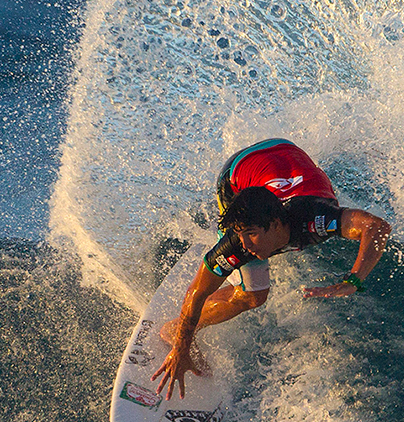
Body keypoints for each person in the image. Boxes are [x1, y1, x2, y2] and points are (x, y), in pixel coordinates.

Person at [154, 138, 391, 397]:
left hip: (285, 153)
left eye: (252, 234)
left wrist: (353, 280)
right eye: (239, 234)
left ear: (277, 224)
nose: (244, 244)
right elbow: (196, 292)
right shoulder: (239, 242)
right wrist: (181, 347)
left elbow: (376, 227)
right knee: (254, 295)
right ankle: (172, 328)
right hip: (237, 173)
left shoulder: (315, 219)